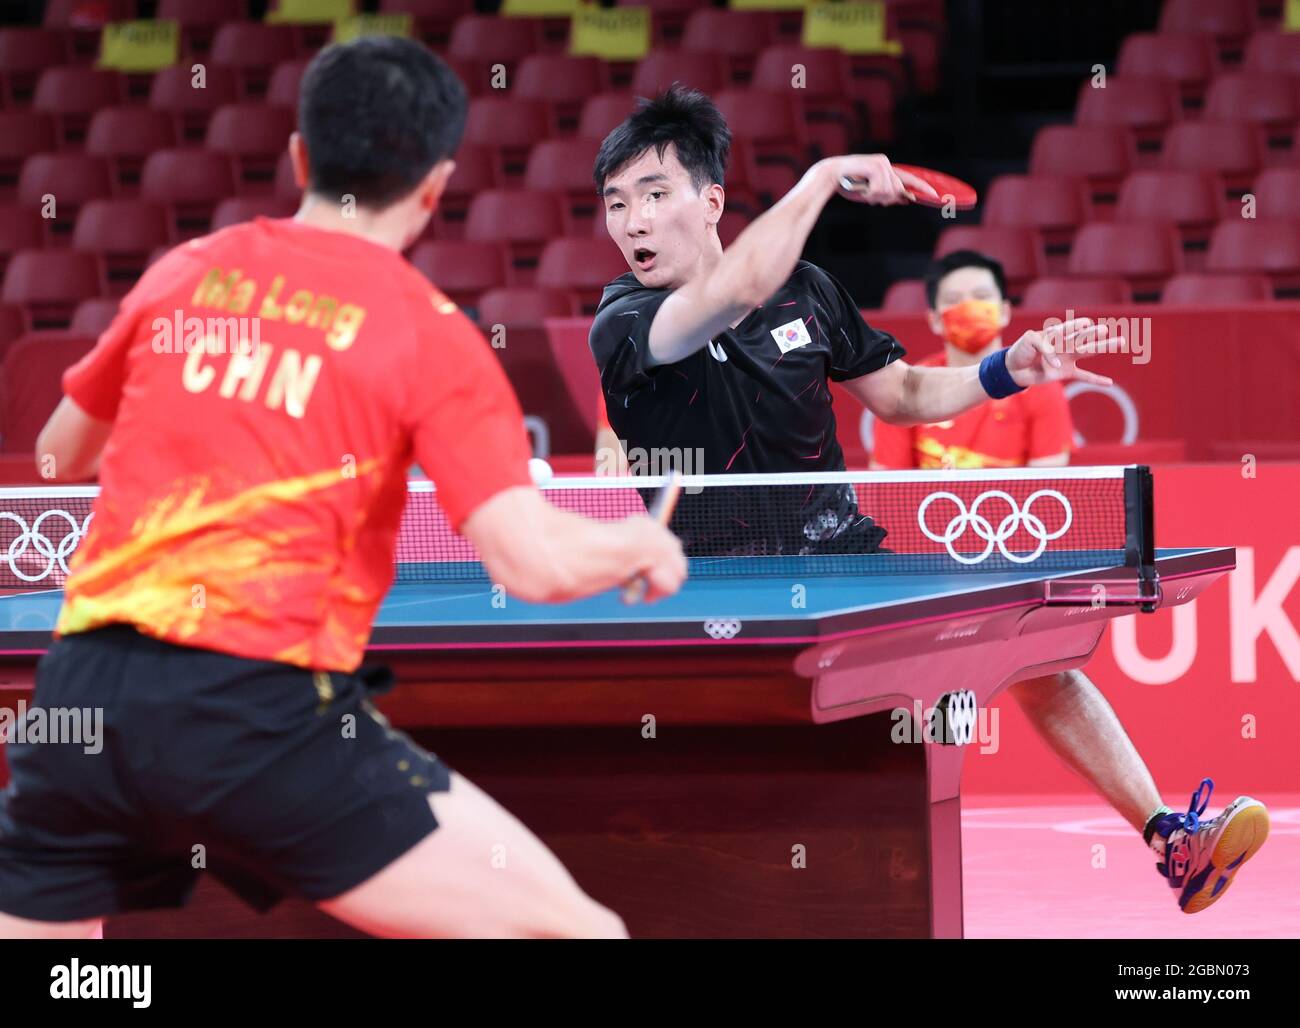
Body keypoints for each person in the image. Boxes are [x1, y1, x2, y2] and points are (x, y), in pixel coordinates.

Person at [0, 37, 686, 941]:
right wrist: (638, 541)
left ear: (298, 156)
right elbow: (529, 562)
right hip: (254, 714)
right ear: (436, 187)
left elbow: (58, 451)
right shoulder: (429, 333)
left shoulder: (183, 272)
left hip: (81, 700)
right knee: (577, 933)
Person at [587, 85, 1268, 914]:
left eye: (655, 196)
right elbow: (729, 294)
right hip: (720, 597)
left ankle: (1173, 839)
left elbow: (901, 390)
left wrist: (1001, 372)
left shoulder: (807, 292)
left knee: (1033, 655)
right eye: (617, 204)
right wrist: (826, 175)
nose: (633, 222)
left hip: (845, 568)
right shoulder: (624, 321)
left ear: (712, 201)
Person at [870, 250, 1072, 470]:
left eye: (982, 296)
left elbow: (1046, 492)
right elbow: (886, 489)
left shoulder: (1038, 386)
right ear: (935, 320)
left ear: (1004, 311)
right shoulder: (906, 389)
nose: (969, 309)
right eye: (953, 300)